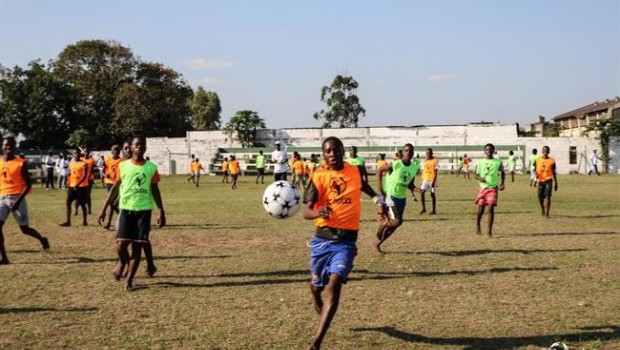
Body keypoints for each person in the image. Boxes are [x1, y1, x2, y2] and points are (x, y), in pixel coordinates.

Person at [302, 136, 385, 350]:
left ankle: (316, 343)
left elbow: (363, 185)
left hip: (346, 242)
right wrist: (316, 212)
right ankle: (314, 295)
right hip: (322, 240)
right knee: (316, 285)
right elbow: (305, 211)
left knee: (335, 282)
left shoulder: (353, 171)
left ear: (342, 151)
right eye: (328, 151)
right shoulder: (318, 176)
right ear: (324, 155)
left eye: (336, 150)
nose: (332, 154)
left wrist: (378, 199)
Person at [98, 135, 165, 291]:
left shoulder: (151, 168)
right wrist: (103, 209)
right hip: (126, 209)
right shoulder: (123, 166)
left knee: (138, 246)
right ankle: (123, 262)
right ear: (132, 147)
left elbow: (155, 190)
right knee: (121, 245)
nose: (139, 147)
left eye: (142, 144)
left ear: (145, 147)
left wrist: (161, 211)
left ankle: (129, 280)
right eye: (136, 144)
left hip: (143, 211)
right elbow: (114, 188)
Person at [0, 136, 50, 264]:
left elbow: (28, 185)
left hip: (17, 197)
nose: (8, 147)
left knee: (25, 229)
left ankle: (42, 239)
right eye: (6, 145)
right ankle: (4, 258)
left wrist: (17, 203)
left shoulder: (20, 163)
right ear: (2, 146)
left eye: (10, 145)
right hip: (2, 197)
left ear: (15, 147)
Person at [373, 143, 419, 253]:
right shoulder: (396, 164)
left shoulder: (414, 167)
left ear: (413, 153)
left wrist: (417, 189)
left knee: (396, 223)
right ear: (403, 152)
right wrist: (380, 191)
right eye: (406, 151)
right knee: (398, 221)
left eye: (410, 151)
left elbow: (409, 184)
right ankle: (383, 223)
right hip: (391, 195)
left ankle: (378, 244)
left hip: (401, 198)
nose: (408, 153)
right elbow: (379, 170)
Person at [474, 144, 505, 237]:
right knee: (481, 209)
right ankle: (478, 224)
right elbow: (475, 174)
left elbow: (502, 172)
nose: (489, 151)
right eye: (487, 149)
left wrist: (502, 183)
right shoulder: (480, 162)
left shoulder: (498, 161)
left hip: (493, 188)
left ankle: (489, 231)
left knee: (491, 207)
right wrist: (480, 178)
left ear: (493, 150)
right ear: (484, 151)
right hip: (483, 188)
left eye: (491, 149)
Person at [60, 149, 88, 227]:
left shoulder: (84, 164)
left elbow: (84, 175)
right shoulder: (71, 164)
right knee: (68, 202)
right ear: (73, 155)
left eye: (78, 153)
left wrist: (78, 184)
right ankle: (68, 221)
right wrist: (68, 186)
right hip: (72, 186)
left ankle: (84, 221)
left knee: (82, 204)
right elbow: (69, 175)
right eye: (75, 153)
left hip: (81, 187)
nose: (77, 154)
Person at [102, 144, 124, 230]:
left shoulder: (122, 161)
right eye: (114, 150)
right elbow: (103, 169)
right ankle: (110, 221)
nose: (116, 151)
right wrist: (105, 174)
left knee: (112, 203)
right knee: (111, 203)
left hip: (117, 183)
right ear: (111, 151)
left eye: (118, 150)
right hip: (109, 183)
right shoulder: (107, 160)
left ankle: (109, 223)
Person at [535, 145, 558, 218]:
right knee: (540, 196)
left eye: (547, 150)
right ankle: (542, 208)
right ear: (542, 151)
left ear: (549, 152)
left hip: (548, 180)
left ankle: (547, 213)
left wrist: (556, 182)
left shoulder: (552, 161)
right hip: (540, 180)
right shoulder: (538, 160)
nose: (545, 152)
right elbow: (533, 169)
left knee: (548, 196)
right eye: (544, 150)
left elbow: (554, 171)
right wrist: (536, 174)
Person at [419, 148, 439, 215]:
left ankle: (434, 210)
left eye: (429, 153)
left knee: (432, 194)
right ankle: (423, 208)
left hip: (432, 179)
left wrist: (433, 181)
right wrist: (422, 177)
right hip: (425, 179)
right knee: (422, 193)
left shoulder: (435, 160)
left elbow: (436, 172)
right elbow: (424, 169)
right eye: (427, 153)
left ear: (432, 153)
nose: (427, 154)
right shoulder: (425, 160)